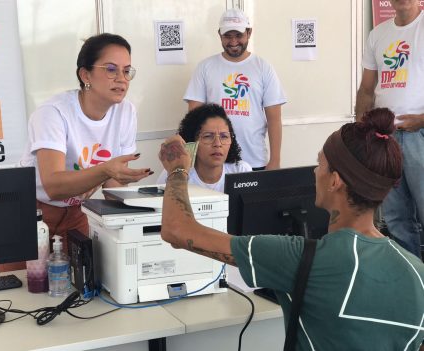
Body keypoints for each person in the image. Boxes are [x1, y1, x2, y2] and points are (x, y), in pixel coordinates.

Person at [158, 107, 424, 350]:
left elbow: (177, 229)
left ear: (334, 181)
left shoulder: (299, 258)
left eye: (319, 164)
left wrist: (178, 170)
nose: (313, 173)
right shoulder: (417, 272)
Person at [10, 34, 152, 265]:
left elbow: (112, 185)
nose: (122, 79)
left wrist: (146, 211)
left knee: (79, 289)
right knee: (26, 293)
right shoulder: (53, 113)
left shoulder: (126, 112)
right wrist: (108, 170)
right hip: (29, 215)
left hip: (76, 212)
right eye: (111, 69)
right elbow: (54, 186)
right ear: (85, 75)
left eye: (127, 71)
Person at [355, 0, 424, 258]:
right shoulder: (378, 34)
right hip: (385, 139)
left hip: (420, 136)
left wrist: (422, 120)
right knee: (395, 219)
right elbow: (366, 89)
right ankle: (411, 283)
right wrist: (360, 131)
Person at [184, 8, 286, 171]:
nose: (233, 42)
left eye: (238, 35)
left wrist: (275, 161)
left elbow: (274, 119)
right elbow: (193, 119)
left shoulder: (263, 68)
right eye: (228, 36)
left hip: (254, 160)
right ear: (219, 35)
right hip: (214, 163)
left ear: (249, 33)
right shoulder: (205, 67)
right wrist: (191, 159)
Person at [156, 104, 251, 192]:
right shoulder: (176, 171)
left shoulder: (241, 171)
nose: (217, 144)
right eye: (208, 136)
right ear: (192, 141)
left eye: (224, 136)